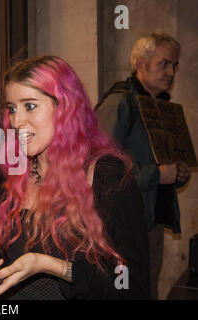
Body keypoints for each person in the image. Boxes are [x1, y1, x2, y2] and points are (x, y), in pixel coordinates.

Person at [0, 55, 150, 299]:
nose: (17, 121)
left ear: (65, 106)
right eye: (12, 108)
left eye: (30, 106)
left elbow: (130, 285)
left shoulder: (106, 176)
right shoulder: (11, 175)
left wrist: (51, 266)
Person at [94, 33, 191, 299]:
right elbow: (100, 169)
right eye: (164, 64)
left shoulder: (160, 106)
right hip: (122, 225)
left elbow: (160, 162)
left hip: (150, 221)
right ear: (140, 63)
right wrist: (156, 175)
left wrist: (178, 174)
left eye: (174, 65)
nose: (171, 72)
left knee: (146, 290)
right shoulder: (120, 102)